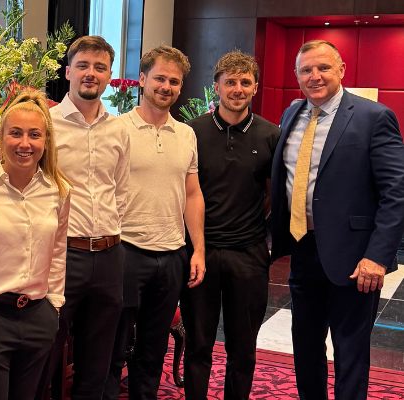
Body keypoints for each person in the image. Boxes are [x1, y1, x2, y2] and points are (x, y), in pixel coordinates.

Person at [270, 40, 404, 399]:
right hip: (303, 250)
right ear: (297, 75)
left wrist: (377, 256)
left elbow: (396, 193)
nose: (315, 76)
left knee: (350, 352)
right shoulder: (291, 114)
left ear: (341, 69)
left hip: (355, 259)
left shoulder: (373, 117)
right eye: (306, 70)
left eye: (323, 68)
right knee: (306, 347)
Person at [106, 45, 206, 400]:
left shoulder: (187, 135)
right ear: (143, 80)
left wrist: (198, 252)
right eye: (160, 78)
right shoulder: (116, 129)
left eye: (174, 82)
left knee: (152, 351)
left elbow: (192, 194)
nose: (166, 86)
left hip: (173, 255)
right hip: (125, 252)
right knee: (113, 349)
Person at [35, 35, 131, 400]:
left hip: (109, 256)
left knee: (97, 360)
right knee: (46, 352)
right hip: (62, 257)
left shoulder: (119, 128)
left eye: (100, 67)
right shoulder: (46, 124)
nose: (91, 73)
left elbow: (119, 189)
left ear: (109, 75)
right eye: (84, 66)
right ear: (68, 71)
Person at [180, 51, 280, 400]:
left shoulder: (271, 134)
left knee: (243, 349)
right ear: (216, 86)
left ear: (254, 88)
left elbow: (275, 195)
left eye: (245, 82)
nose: (238, 89)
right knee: (198, 345)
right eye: (230, 82)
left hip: (249, 255)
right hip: (199, 254)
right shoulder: (191, 132)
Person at [0, 90, 70, 400]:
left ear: (45, 141)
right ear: (0, 138)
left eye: (34, 135)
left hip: (37, 318)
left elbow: (58, 251)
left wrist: (54, 305)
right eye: (15, 133)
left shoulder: (58, 190)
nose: (24, 143)